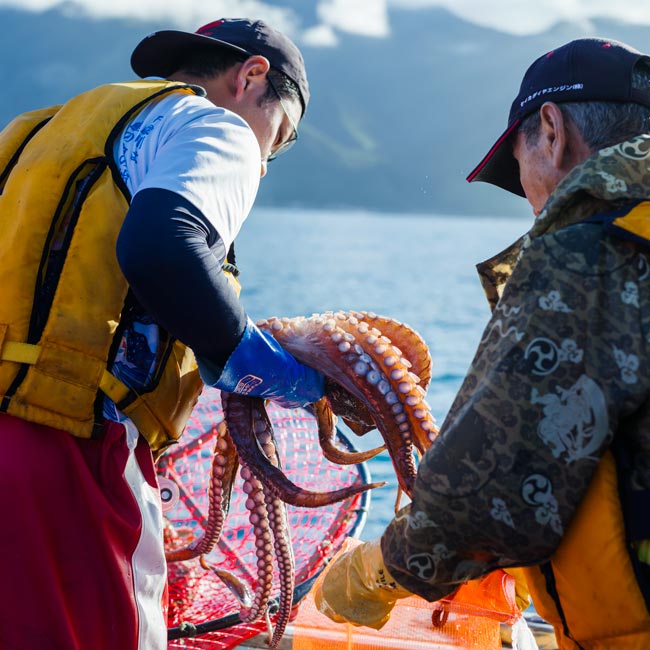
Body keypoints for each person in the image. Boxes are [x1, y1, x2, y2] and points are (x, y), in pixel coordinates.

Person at [0, 17, 325, 650]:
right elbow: (161, 246)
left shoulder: (32, 131)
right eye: (277, 140)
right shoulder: (216, 127)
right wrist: (250, 360)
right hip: (68, 453)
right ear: (251, 77)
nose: (263, 165)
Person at [314, 37, 650, 648]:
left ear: (551, 131)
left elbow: (489, 487)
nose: (528, 198)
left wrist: (378, 571)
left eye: (518, 170)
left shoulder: (590, 253)